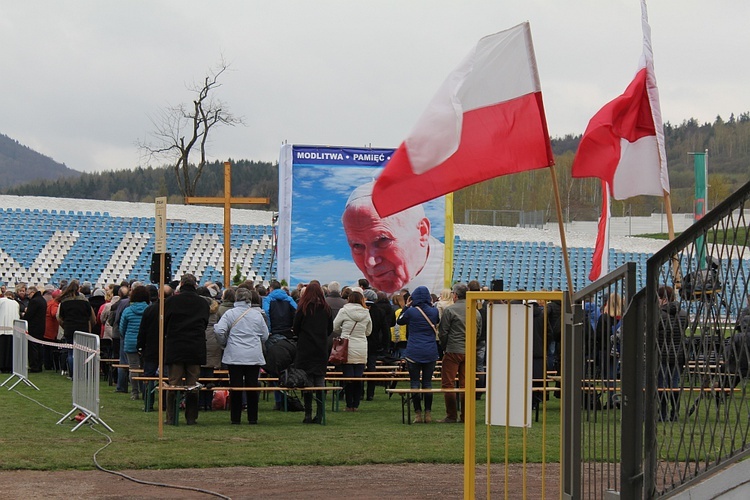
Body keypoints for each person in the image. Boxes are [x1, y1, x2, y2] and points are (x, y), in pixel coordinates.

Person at [342, 181, 444, 294]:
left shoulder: (450, 279)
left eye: (383, 240)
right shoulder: (356, 293)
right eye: (357, 246)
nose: (370, 262)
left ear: (422, 232)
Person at [214, 287, 269, 425]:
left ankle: (235, 418)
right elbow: (265, 335)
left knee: (235, 387)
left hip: (234, 355)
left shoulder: (230, 314)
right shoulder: (257, 314)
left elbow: (219, 330)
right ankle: (252, 418)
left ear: (236, 299)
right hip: (253, 355)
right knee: (252, 387)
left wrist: (224, 343)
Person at [164, 274, 210, 425]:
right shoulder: (202, 303)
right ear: (195, 285)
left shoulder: (171, 301)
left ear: (181, 284)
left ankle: (171, 417)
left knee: (173, 384)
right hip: (195, 347)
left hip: (176, 346)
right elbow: (204, 323)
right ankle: (191, 417)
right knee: (193, 385)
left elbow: (165, 323)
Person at [437, 283, 483, 423]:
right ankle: (466, 415)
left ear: (455, 295)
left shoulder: (450, 311)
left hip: (453, 350)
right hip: (469, 351)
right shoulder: (476, 311)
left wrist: (445, 347)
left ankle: (451, 415)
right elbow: (478, 332)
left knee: (448, 384)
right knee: (465, 385)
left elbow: (443, 332)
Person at [398, 286, 440, 423]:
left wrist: (406, 306)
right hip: (430, 351)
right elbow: (437, 321)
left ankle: (417, 414)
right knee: (427, 383)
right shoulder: (434, 311)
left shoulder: (411, 312)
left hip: (413, 350)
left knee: (415, 383)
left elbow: (400, 321)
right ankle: (428, 413)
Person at [293, 281, 333, 423]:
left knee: (307, 381)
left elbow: (295, 328)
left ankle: (308, 413)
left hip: (305, 348)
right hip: (320, 348)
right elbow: (330, 329)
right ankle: (320, 414)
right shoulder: (326, 308)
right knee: (320, 380)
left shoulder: (303, 308)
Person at [333, 290, 372, 411]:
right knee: (358, 377)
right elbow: (368, 331)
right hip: (361, 346)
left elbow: (335, 326)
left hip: (347, 346)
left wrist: (343, 332)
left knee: (348, 377)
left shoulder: (344, 311)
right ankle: (356, 404)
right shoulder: (366, 313)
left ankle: (349, 404)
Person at [656, 285, 687, 422]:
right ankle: (675, 412)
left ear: (662, 298)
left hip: (662, 353)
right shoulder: (683, 314)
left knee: (661, 385)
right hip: (678, 353)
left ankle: (663, 413)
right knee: (674, 384)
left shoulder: (659, 315)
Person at [57, 280, 97, 377]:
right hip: (83, 328)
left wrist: (65, 326)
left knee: (71, 353)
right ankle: (82, 372)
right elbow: (91, 317)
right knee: (83, 352)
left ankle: (73, 374)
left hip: (69, 329)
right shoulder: (84, 302)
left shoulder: (64, 302)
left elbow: (60, 317)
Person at [119, 285, 150, 400]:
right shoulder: (149, 309)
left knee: (133, 368)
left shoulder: (127, 311)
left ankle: (135, 392)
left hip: (131, 342)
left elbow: (122, 328)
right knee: (145, 368)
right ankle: (145, 391)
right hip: (146, 343)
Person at [595, 292, 623, 408]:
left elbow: (599, 335)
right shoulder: (622, 317)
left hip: (606, 349)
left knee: (607, 375)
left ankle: (612, 399)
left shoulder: (604, 317)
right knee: (612, 373)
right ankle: (614, 398)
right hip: (617, 349)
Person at [25, 285, 47, 372]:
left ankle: (34, 366)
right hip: (41, 326)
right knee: (39, 346)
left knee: (33, 347)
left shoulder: (34, 301)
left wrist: (24, 316)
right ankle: (39, 365)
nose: (28, 296)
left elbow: (29, 314)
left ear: (32, 292)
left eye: (28, 294)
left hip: (33, 327)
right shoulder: (42, 300)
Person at [0, 290, 21, 373]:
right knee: (10, 349)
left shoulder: (1, 300)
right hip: (13, 329)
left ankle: (1, 366)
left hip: (2, 328)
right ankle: (9, 366)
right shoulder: (16, 303)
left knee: (2, 349)